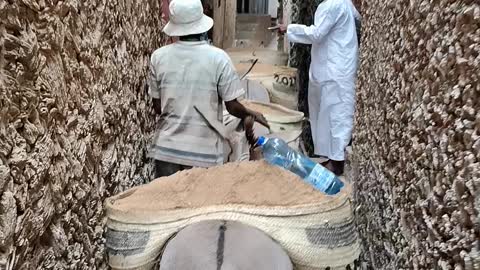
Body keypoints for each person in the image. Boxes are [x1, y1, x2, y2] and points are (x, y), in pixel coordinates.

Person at [148, 0, 269, 178]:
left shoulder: (158, 57)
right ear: (201, 24)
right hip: (203, 154)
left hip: (166, 150)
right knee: (199, 203)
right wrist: (250, 113)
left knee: (168, 203)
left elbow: (158, 107)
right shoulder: (219, 58)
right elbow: (232, 107)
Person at [279, 0, 360, 176]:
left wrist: (290, 29)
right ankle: (333, 158)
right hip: (333, 68)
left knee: (337, 115)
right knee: (328, 115)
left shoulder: (333, 5)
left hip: (335, 69)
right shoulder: (342, 3)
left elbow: (317, 34)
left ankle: (337, 161)